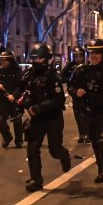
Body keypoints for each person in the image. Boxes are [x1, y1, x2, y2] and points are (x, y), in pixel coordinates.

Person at [67, 38, 103, 183]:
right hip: (89, 111)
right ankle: (101, 168)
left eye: (96, 53)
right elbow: (70, 85)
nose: (93, 56)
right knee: (95, 141)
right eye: (91, 53)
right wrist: (76, 92)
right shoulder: (82, 70)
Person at [17, 44, 72, 192]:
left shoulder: (53, 76)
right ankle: (36, 179)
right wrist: (25, 104)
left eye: (40, 58)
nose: (36, 61)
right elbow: (22, 93)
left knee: (54, 150)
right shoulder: (28, 75)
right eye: (34, 58)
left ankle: (63, 155)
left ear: (47, 59)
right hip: (37, 118)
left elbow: (59, 100)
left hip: (53, 117)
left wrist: (40, 107)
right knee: (32, 147)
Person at [0, 50, 25, 148]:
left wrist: (14, 95)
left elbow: (21, 86)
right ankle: (7, 137)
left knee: (17, 119)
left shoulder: (17, 72)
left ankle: (19, 140)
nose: (2, 62)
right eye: (1, 60)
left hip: (13, 100)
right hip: (1, 101)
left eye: (5, 60)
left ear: (11, 61)